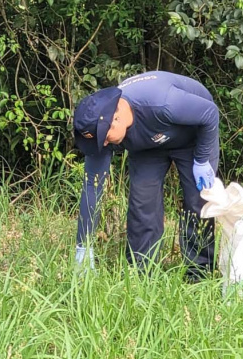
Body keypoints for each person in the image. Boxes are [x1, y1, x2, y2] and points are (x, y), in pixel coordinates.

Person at [72, 71, 220, 281]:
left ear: (116, 118)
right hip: (147, 146)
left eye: (105, 139)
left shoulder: (163, 103)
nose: (103, 145)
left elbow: (209, 113)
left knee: (198, 202)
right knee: (142, 204)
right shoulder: (101, 131)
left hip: (193, 135)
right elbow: (92, 187)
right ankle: (140, 273)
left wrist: (203, 160)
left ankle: (199, 273)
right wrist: (83, 246)